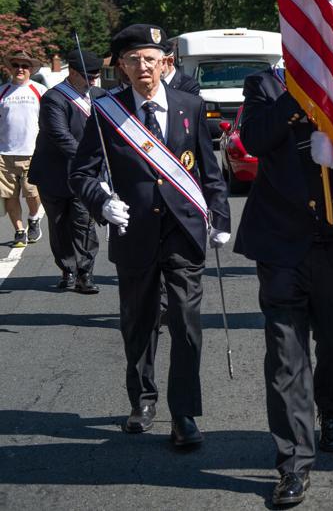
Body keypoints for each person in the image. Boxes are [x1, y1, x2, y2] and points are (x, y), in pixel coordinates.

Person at [69, 23, 230, 448]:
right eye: (133, 60)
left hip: (183, 233)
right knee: (139, 324)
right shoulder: (106, 111)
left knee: (186, 324)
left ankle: (184, 414)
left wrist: (220, 218)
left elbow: (209, 172)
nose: (144, 66)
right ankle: (141, 399)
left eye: (151, 58)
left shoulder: (189, 105)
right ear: (121, 67)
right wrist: (101, 203)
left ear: (166, 62)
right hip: (134, 230)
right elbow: (81, 172)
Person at [234, 67, 333, 505]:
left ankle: (331, 409)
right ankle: (292, 462)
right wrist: (298, 99)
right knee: (285, 355)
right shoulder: (266, 83)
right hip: (281, 242)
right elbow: (253, 139)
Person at [28, 48, 105, 293]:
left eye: (95, 76)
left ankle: (85, 273)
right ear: (72, 72)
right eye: (87, 76)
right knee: (60, 223)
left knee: (84, 222)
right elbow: (60, 135)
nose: (91, 81)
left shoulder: (100, 96)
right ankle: (67, 269)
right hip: (54, 172)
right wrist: (88, 159)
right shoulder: (54, 98)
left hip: (83, 175)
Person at [0, 50, 47, 248]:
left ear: (30, 70)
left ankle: (34, 218)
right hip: (4, 154)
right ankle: (19, 230)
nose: (20, 69)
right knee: (9, 195)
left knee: (32, 194)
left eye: (25, 66)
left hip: (33, 152)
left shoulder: (40, 91)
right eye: (16, 65)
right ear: (10, 68)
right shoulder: (2, 91)